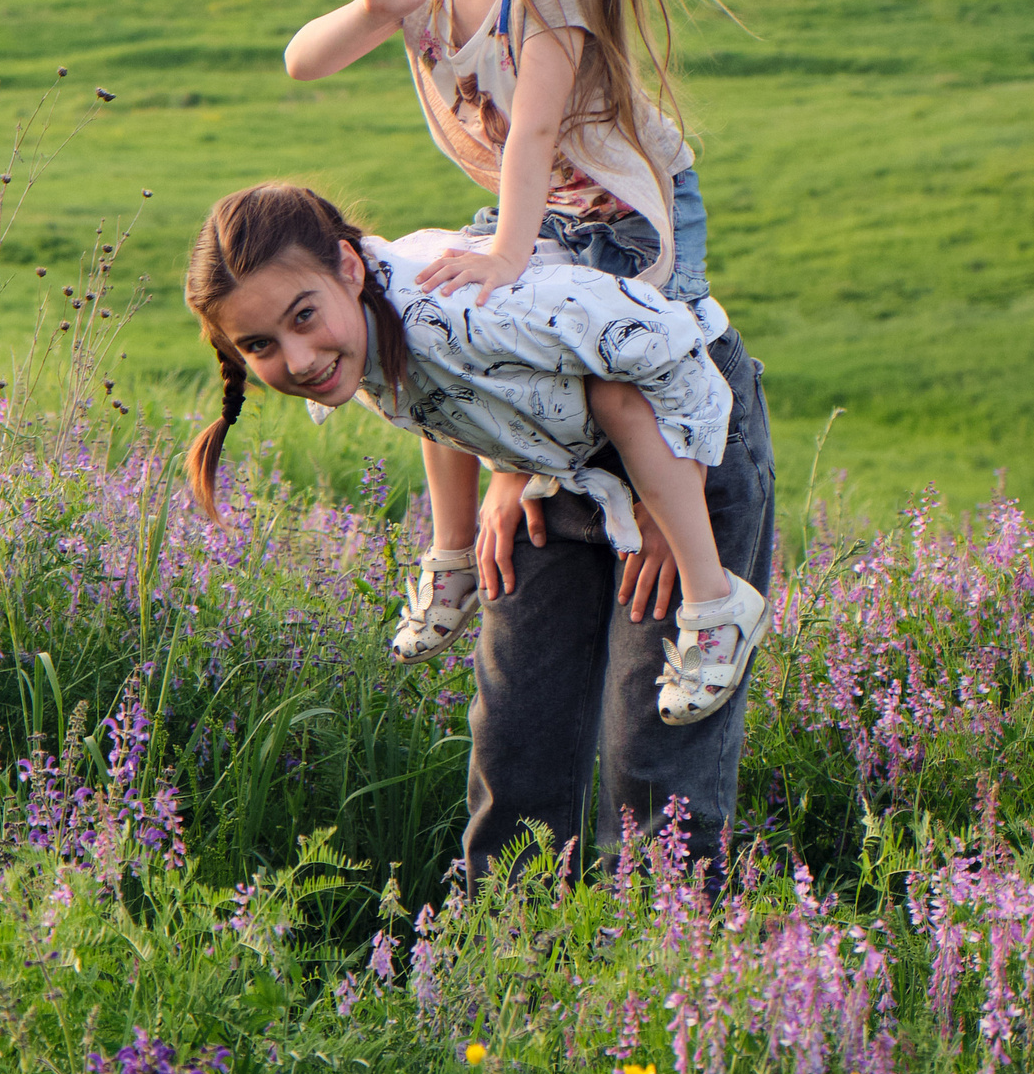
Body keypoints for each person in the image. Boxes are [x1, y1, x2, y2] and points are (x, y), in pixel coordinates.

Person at [281, 0, 736, 666]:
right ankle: (450, 558)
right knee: (423, 326)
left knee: (645, 362)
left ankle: (713, 599)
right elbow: (302, 62)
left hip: (628, 209)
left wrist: (503, 253)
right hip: (538, 209)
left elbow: (530, 135)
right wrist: (376, 9)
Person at [180, 185, 772, 793]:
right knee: (514, 740)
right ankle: (454, 558)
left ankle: (718, 603)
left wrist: (676, 504)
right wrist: (507, 470)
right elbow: (442, 395)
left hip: (677, 418)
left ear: (349, 267)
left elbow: (669, 347)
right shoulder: (360, 322)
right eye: (261, 346)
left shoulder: (462, 317)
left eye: (302, 317)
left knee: (651, 762)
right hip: (562, 443)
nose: (299, 359)